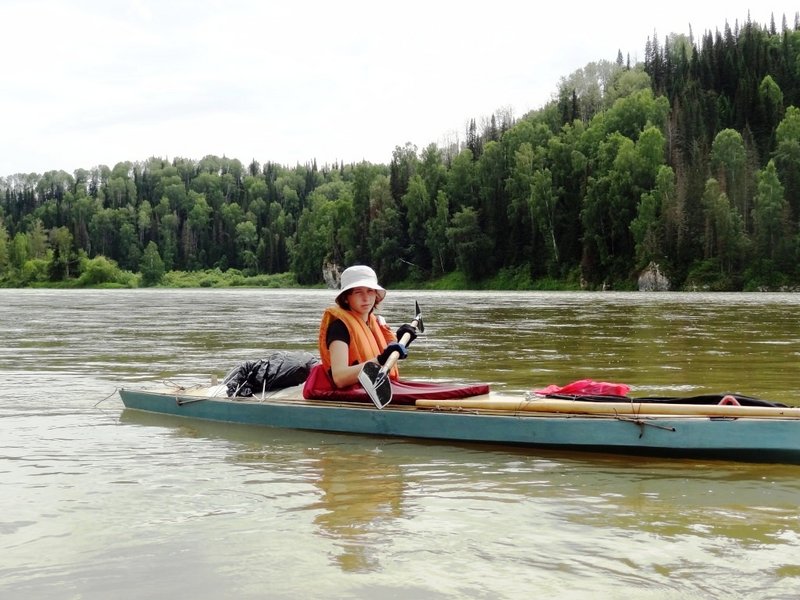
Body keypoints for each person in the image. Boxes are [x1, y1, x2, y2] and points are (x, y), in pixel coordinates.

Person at [317, 265, 417, 388]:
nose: (366, 298)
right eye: (358, 292)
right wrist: (379, 361)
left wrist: (402, 343)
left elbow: (387, 357)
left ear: (376, 295)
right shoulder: (339, 328)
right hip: (355, 393)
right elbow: (340, 378)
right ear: (346, 298)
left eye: (370, 291)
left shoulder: (374, 322)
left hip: (379, 387)